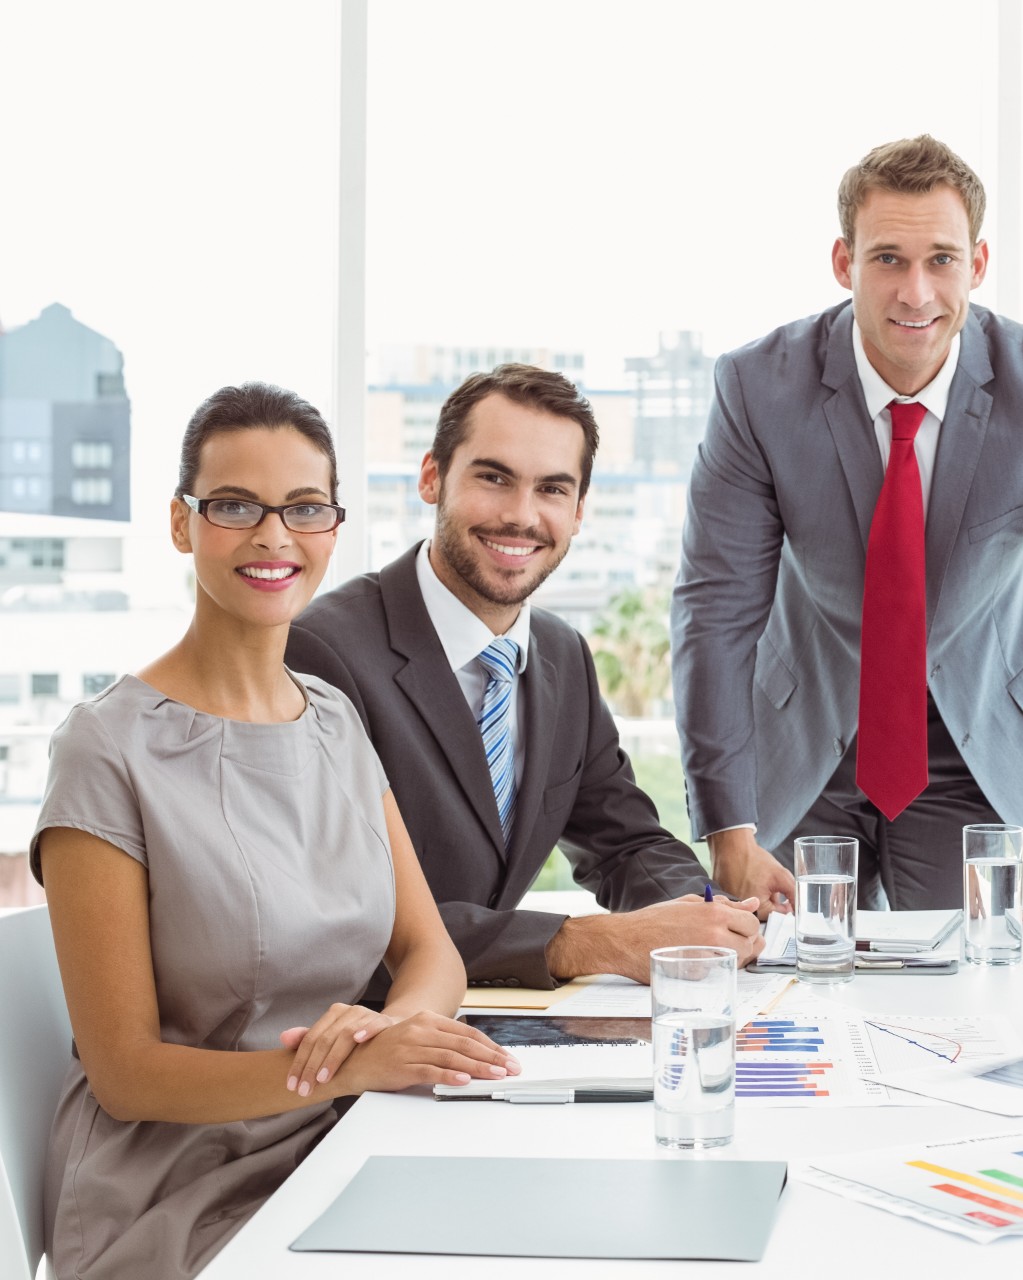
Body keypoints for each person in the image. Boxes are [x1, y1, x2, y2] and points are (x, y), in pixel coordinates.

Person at [31, 384, 519, 1280]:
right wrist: (347, 1070)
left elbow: (431, 954)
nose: (272, 536)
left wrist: (389, 1040)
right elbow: (125, 1073)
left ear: (333, 526)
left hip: (350, 1140)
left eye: (303, 508)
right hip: (184, 1186)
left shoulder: (333, 719)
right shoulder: (106, 746)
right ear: (183, 525)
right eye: (233, 506)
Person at [670, 135, 1023, 922]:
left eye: (941, 260)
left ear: (979, 262)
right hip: (809, 730)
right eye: (888, 259)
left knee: (973, 1002)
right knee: (798, 989)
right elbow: (714, 609)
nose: (916, 292)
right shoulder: (756, 387)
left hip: (974, 740)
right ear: (843, 262)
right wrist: (727, 824)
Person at [287, 364, 762, 992]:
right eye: (493, 478)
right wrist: (581, 943)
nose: (521, 515)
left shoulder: (562, 656)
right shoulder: (322, 652)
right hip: (359, 1041)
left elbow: (625, 843)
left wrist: (703, 914)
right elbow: (334, 912)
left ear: (579, 510)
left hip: (492, 1031)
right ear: (432, 477)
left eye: (552, 489)